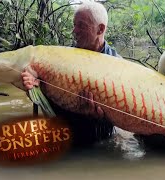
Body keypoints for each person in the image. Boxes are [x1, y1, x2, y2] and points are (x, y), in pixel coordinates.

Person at [21, 1, 120, 147]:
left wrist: (99, 116)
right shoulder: (61, 60)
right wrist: (34, 88)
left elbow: (123, 117)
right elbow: (47, 103)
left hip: (101, 144)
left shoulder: (118, 66)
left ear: (100, 29)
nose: (74, 31)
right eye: (74, 25)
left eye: (81, 25)